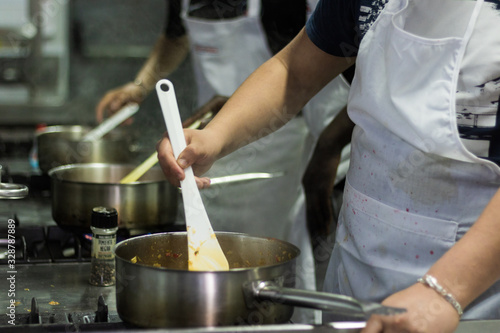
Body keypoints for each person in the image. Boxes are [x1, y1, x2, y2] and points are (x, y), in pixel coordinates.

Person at [157, 0, 500, 331]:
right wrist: (215, 136)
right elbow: (294, 71)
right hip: (356, 267)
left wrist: (444, 291)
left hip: (469, 292)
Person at [96, 0, 352, 324]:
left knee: (260, 267)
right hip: (206, 144)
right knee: (204, 271)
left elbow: (300, 73)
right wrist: (142, 85)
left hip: (272, 142)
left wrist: (328, 146)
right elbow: (176, 36)